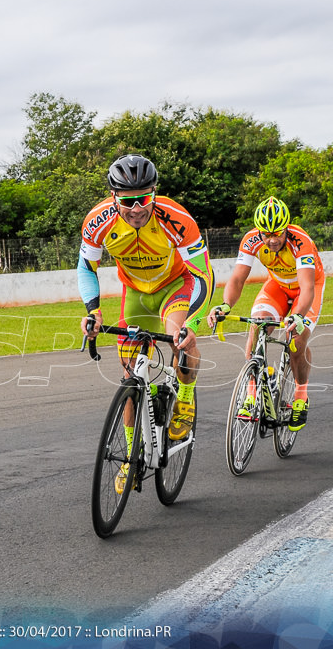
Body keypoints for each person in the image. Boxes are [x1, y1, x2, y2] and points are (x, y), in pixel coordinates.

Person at [79, 154, 214, 493]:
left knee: (178, 337)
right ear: (114, 197)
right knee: (129, 374)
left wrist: (192, 321)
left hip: (176, 286)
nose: (137, 208)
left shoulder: (176, 218)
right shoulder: (98, 221)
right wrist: (94, 311)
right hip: (136, 291)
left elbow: (202, 273)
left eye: (145, 198)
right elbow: (86, 268)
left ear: (155, 192)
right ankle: (130, 456)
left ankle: (184, 398)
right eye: (128, 201)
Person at [206, 196, 325, 432]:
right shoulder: (251, 240)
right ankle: (253, 391)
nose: (271, 240)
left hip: (306, 289)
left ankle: (301, 395)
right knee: (258, 323)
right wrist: (225, 305)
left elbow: (307, 288)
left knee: (296, 340)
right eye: (266, 234)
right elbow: (238, 278)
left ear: (286, 229)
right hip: (278, 286)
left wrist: (297, 315)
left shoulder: (301, 242)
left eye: (277, 234)